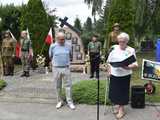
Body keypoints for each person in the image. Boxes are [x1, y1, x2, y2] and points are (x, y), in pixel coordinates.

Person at [107, 32, 138, 119]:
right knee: (115, 92)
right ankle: (118, 106)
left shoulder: (131, 50)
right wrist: (109, 71)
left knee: (122, 93)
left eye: (123, 41)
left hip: (125, 75)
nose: (121, 43)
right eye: (119, 41)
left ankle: (121, 110)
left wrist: (128, 67)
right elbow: (109, 62)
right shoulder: (114, 49)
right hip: (114, 74)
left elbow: (135, 64)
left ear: (127, 41)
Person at [49, 32, 75, 110]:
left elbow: (71, 55)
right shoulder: (53, 46)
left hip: (66, 68)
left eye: (63, 39)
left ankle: (70, 102)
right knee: (57, 86)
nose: (62, 41)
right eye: (60, 39)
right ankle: (59, 101)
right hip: (56, 68)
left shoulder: (69, 46)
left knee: (68, 85)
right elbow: (51, 56)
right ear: (57, 39)